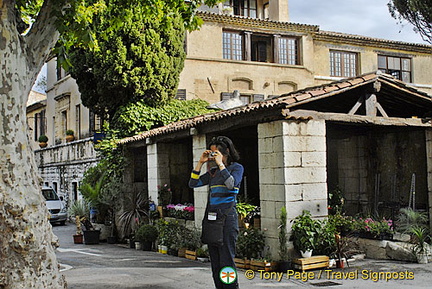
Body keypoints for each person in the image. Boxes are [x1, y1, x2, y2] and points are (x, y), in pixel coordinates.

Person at [189, 136, 244, 289]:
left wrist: (221, 164)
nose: (212, 156)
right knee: (215, 263)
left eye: (215, 153)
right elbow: (193, 183)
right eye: (211, 153)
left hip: (227, 219)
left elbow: (231, 184)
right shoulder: (212, 172)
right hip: (213, 220)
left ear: (226, 152)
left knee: (227, 260)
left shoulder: (236, 168)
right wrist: (200, 162)